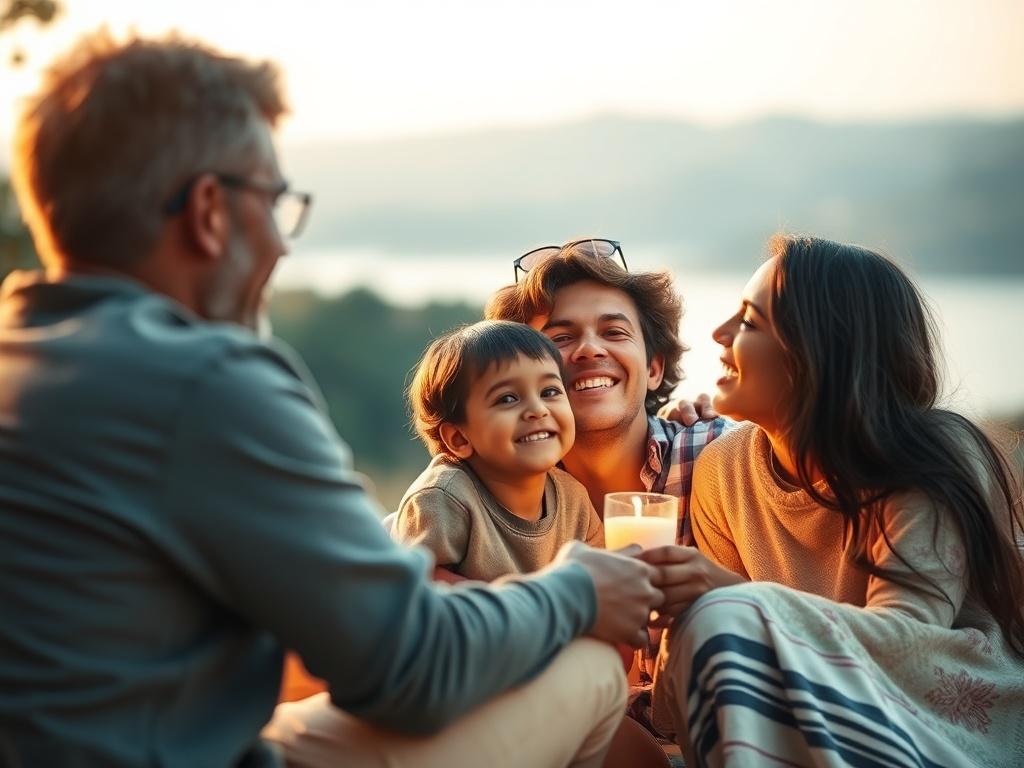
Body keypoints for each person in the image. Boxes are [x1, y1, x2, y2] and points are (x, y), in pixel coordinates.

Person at [0, 33, 666, 768]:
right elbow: (412, 671)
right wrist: (575, 590)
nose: (284, 249)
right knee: (595, 671)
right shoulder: (208, 382)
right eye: (276, 204)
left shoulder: (27, 357)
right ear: (211, 212)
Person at [648, 235, 1024, 766]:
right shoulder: (723, 468)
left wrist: (731, 597)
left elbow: (909, 643)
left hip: (941, 722)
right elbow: (718, 653)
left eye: (750, 323)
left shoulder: (930, 456)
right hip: (804, 708)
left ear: (819, 351)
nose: (719, 333)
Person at [486, 239, 731, 545]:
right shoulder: (494, 487)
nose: (589, 349)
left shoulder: (717, 454)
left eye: (614, 332)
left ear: (653, 368)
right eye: (559, 338)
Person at [394, 320, 603, 580]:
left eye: (549, 391)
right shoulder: (443, 498)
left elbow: (601, 580)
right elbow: (417, 586)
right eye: (508, 398)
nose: (538, 409)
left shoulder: (573, 499)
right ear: (459, 438)